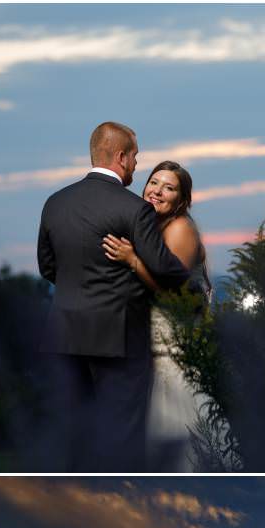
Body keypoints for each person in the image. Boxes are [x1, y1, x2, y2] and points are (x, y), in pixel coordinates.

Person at [36, 121, 190, 470]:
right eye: (135, 157)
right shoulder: (135, 209)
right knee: (123, 435)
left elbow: (48, 267)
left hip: (64, 336)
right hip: (120, 338)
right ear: (121, 157)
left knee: (73, 436)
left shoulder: (54, 203)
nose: (136, 164)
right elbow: (166, 269)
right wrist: (191, 283)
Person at [102, 161, 212, 470]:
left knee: (179, 435)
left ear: (182, 200)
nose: (158, 191)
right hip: (149, 348)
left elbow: (173, 291)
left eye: (169, 188)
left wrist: (132, 260)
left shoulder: (180, 228)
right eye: (154, 183)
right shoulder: (150, 227)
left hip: (175, 348)